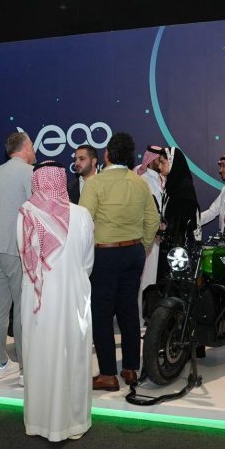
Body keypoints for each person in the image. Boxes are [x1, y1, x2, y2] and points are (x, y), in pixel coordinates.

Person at [17, 160, 94, 441]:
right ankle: (73, 425)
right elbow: (88, 262)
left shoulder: (25, 214)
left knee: (41, 356)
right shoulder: (82, 215)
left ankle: (40, 423)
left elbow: (26, 263)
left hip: (38, 299)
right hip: (73, 296)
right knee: (72, 355)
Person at [79, 132, 159, 391]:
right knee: (129, 311)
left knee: (102, 314)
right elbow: (153, 220)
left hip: (105, 254)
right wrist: (143, 246)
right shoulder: (140, 183)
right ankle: (131, 369)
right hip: (133, 252)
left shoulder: (95, 183)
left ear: (107, 155)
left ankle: (108, 375)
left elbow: (83, 222)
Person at [0, 131, 35, 382]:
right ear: (24, 147)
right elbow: (36, 213)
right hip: (16, 247)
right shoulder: (29, 173)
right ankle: (25, 370)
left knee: (0, 306)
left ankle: (0, 363)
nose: (34, 150)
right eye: (32, 145)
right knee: (22, 308)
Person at [134, 146, 166, 316]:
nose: (161, 162)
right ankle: (140, 317)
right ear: (151, 159)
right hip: (147, 237)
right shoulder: (143, 180)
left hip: (161, 239)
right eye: (159, 159)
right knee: (144, 279)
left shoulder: (162, 179)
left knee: (155, 279)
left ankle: (153, 316)